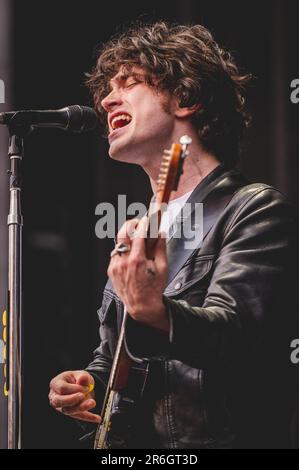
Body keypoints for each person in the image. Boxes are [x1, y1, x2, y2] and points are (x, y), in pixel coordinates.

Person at [48, 21, 297, 449]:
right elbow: (118, 360)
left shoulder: (255, 211)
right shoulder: (140, 231)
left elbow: (233, 336)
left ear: (185, 98)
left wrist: (153, 312)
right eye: (107, 89)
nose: (107, 99)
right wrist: (89, 382)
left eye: (128, 83)